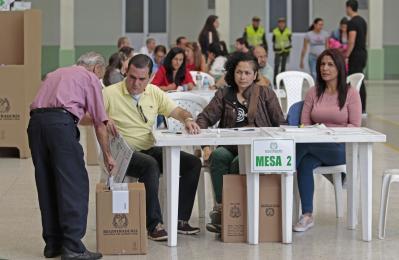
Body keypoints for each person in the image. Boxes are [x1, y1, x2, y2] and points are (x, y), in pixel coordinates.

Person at [103, 54, 201, 241]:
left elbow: (177, 111)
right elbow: (86, 116)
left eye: (142, 79)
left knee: (193, 163)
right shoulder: (110, 93)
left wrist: (187, 119)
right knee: (150, 165)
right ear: (125, 71)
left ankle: (180, 219)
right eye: (132, 77)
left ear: (150, 77)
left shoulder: (154, 92)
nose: (136, 83)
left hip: (148, 147)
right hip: (123, 152)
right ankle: (154, 224)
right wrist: (103, 118)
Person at [28, 52, 116, 259]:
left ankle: (53, 243)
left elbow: (66, 110)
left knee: (47, 182)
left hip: (36, 125)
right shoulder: (90, 78)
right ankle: (73, 248)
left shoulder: (56, 73)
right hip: (60, 127)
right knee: (73, 184)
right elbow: (98, 123)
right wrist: (107, 155)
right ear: (96, 69)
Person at [196, 52, 285, 233]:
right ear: (232, 73)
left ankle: (234, 211)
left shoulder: (266, 94)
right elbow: (204, 118)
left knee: (240, 162)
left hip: (256, 149)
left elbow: (280, 123)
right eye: (239, 72)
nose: (242, 77)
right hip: (229, 147)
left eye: (247, 73)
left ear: (254, 75)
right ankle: (222, 208)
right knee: (219, 156)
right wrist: (204, 145)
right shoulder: (224, 94)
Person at [293, 49, 361, 232]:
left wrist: (329, 132)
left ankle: (283, 170)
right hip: (314, 146)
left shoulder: (351, 93)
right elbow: (305, 124)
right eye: (322, 64)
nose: (325, 68)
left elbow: (355, 126)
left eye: (330, 64)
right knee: (305, 163)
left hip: (340, 149)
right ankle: (307, 215)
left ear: (339, 67)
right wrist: (316, 132)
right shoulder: (313, 92)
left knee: (301, 149)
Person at [346, 0, 368, 115]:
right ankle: (362, 107)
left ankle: (359, 107)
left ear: (349, 7)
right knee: (360, 79)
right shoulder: (363, 21)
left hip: (355, 55)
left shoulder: (352, 23)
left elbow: (351, 41)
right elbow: (364, 38)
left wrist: (346, 55)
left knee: (353, 80)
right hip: (363, 53)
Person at [272, 17, 292, 84]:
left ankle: (281, 81)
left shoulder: (288, 31)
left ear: (284, 24)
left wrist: (288, 49)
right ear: (278, 24)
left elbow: (290, 40)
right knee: (276, 65)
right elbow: (273, 40)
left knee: (283, 66)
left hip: (285, 50)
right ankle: (275, 81)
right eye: (280, 23)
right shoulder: (275, 31)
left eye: (283, 23)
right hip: (278, 50)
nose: (281, 24)